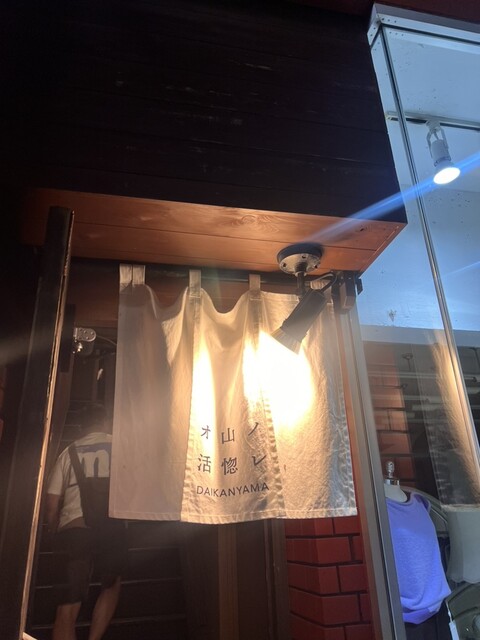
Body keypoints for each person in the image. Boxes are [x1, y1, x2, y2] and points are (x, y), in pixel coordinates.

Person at [45, 403, 127, 640]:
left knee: (67, 602)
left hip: (74, 529)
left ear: (81, 427)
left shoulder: (68, 452)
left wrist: (54, 530)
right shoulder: (120, 446)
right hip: (111, 526)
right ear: (105, 422)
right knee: (111, 584)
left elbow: (51, 503)